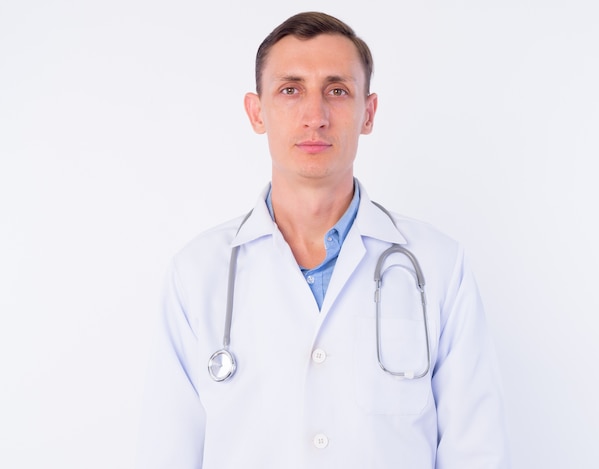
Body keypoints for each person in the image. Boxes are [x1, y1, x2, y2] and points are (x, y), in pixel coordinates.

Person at [137, 11, 509, 469]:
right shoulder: (196, 275)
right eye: (290, 90)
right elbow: (166, 453)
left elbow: (477, 451)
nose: (315, 116)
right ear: (257, 112)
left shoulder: (439, 266)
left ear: (367, 113)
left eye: (337, 91)